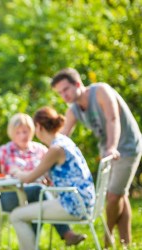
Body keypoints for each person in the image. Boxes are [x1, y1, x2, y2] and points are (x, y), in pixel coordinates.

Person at [51, 68, 142, 247]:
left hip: (127, 148)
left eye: (66, 89)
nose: (64, 95)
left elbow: (113, 119)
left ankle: (108, 239)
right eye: (60, 93)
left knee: (114, 196)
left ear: (78, 84)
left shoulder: (101, 91)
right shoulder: (74, 110)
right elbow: (61, 139)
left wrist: (111, 147)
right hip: (108, 153)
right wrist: (46, 163)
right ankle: (126, 243)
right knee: (120, 195)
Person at [9, 107, 95, 250]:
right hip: (84, 201)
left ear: (38, 127)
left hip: (74, 206)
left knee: (16, 216)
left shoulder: (56, 149)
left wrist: (16, 171)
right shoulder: (64, 141)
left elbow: (29, 178)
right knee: (26, 211)